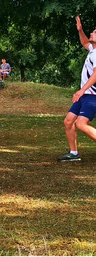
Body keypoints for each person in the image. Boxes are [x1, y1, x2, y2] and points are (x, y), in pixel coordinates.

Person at [58, 16, 96, 162]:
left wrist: (81, 91)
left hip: (92, 95)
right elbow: (85, 42)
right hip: (85, 95)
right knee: (68, 121)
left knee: (80, 124)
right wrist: (80, 30)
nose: (92, 33)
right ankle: (73, 153)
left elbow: (95, 74)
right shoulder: (93, 49)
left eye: (94, 32)